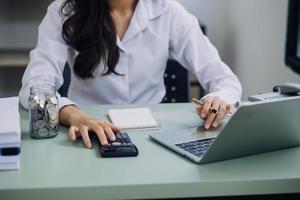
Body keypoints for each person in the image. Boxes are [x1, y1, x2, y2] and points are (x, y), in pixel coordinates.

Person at [19, 0, 242, 149]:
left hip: (154, 140)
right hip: (85, 136)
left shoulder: (168, 11)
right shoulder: (65, 10)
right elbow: (35, 85)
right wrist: (74, 115)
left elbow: (225, 80)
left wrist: (218, 100)